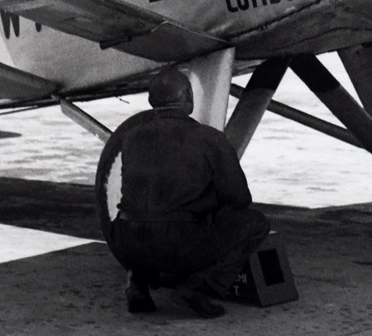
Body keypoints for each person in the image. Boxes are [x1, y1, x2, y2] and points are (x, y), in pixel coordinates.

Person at [106, 69, 270, 317]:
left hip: (123, 243)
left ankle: (138, 284)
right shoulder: (209, 139)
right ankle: (197, 287)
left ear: (151, 102)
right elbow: (240, 199)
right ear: (190, 100)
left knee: (146, 218)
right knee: (255, 223)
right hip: (176, 245)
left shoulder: (131, 137)